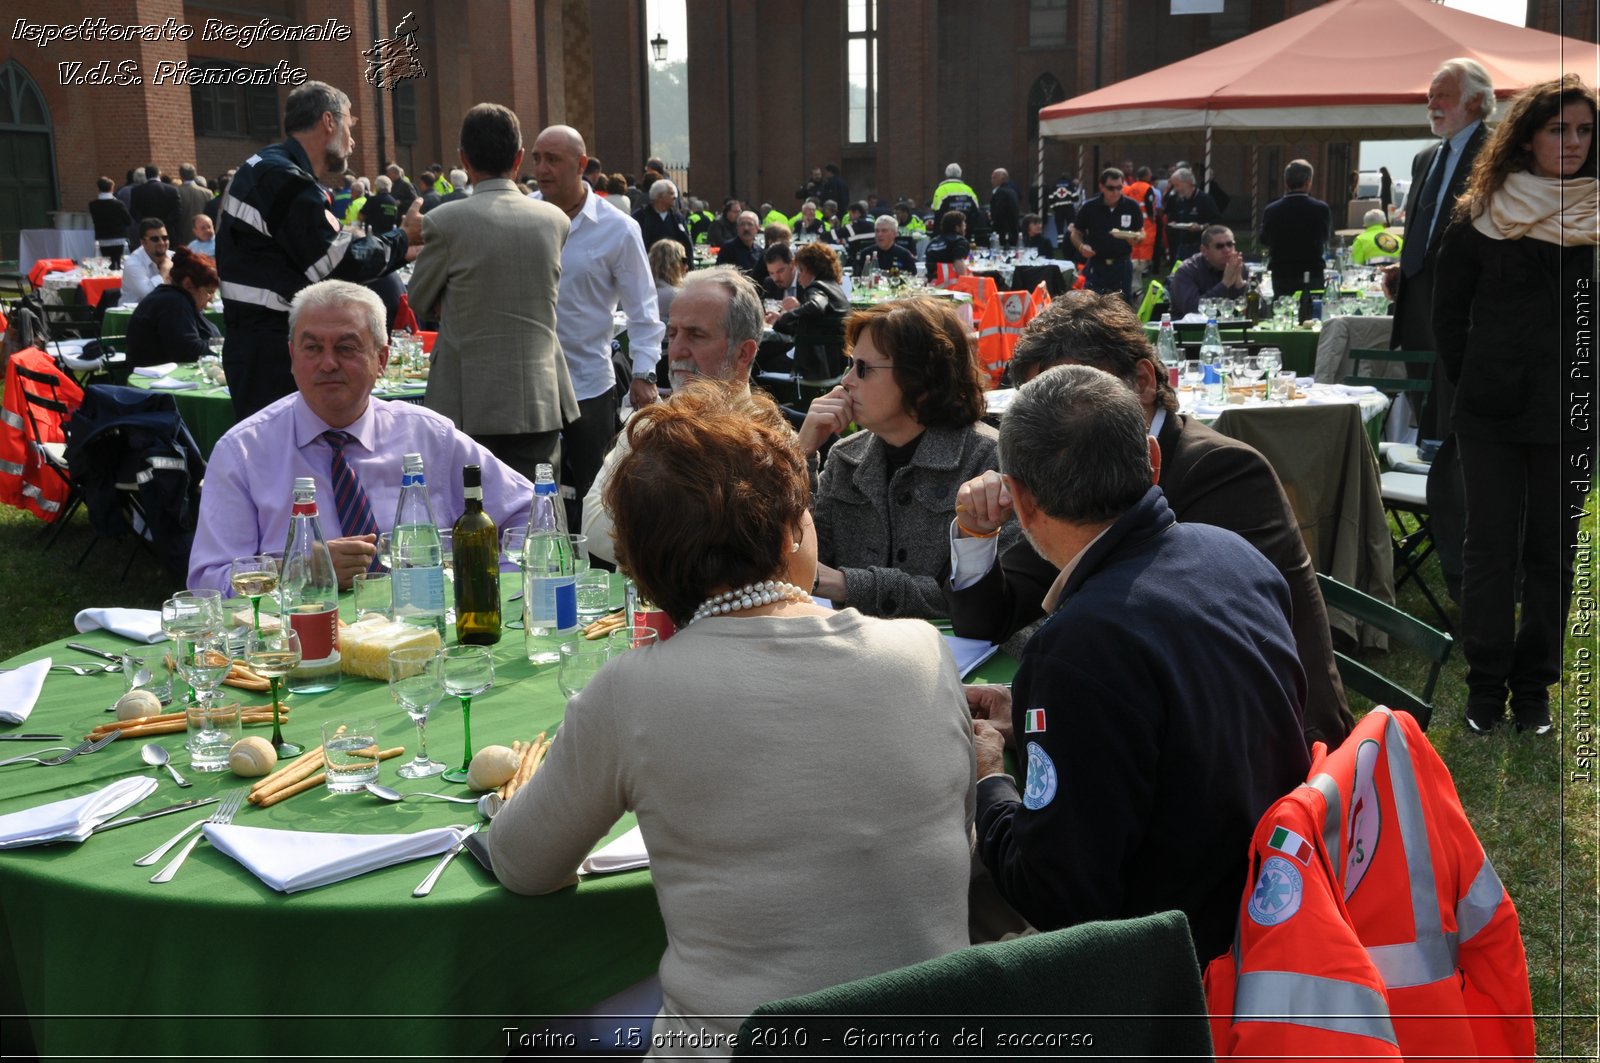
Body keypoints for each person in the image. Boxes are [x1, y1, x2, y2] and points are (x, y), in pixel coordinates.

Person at [494, 380, 974, 1048]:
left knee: (523, 1034)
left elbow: (521, 863)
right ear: (788, 529)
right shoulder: (923, 650)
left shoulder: (631, 689)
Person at [968, 363, 1310, 962]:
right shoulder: (1234, 553)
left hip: (1177, 961)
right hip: (1278, 898)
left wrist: (989, 779)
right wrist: (1033, 713)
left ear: (1019, 500)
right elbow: (1184, 717)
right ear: (1152, 461)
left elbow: (1059, 894)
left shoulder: (1079, 645)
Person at [945, 292, 1353, 749]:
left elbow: (1203, 657)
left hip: (1283, 757)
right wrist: (978, 534)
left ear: (1141, 380)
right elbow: (989, 621)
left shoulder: (1224, 470)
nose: (1055, 427)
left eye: (1076, 394)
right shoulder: (1077, 474)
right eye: (1040, 406)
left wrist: (1039, 711)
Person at [1433, 74, 1597, 736]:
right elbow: (1447, 316)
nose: (1575, 141)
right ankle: (1485, 685)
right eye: (1561, 129)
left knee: (1553, 552)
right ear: (1527, 137)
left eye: (1585, 130)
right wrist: (1476, 378)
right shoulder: (1483, 215)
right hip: (1492, 410)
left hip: (1572, 408)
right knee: (1489, 549)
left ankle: (1534, 690)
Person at [188, 280, 532, 594]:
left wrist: (484, 584)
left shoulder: (429, 437)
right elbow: (208, 582)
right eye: (312, 348)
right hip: (297, 644)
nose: (327, 363)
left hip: (424, 634)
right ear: (292, 357)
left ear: (381, 359)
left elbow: (531, 513)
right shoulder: (243, 452)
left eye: (346, 348)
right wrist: (300, 570)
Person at [800, 297, 1015, 620]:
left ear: (922, 381)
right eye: (850, 364)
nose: (846, 382)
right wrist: (799, 455)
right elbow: (796, 558)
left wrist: (849, 585)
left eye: (863, 369)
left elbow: (982, 596)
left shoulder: (991, 460)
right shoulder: (847, 456)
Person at [216, 81, 418, 421]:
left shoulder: (266, 165)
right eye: (350, 126)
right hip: (271, 351)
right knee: (289, 462)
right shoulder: (284, 176)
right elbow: (337, 265)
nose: (352, 142)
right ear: (329, 121)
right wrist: (403, 239)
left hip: (261, 343)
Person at [409, 103, 576, 482]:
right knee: (540, 511)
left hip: (470, 399)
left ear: (463, 160)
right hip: (539, 394)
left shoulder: (445, 221)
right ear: (519, 158)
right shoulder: (555, 220)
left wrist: (453, 297)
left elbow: (418, 299)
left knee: (468, 512)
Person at [1388, 58, 1497, 605]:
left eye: (1443, 96)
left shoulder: (1499, 150)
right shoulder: (1426, 155)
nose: (1432, 105)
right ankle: (1435, 522)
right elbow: (1421, 228)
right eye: (1429, 96)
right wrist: (1402, 270)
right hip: (1417, 302)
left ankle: (1465, 547)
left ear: (1476, 101)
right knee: (1427, 411)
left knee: (1459, 425)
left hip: (1465, 310)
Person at [583, 268, 766, 564]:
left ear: (744, 353)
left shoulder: (769, 437)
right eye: (672, 333)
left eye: (696, 334)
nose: (676, 350)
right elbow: (591, 523)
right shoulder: (646, 425)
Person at [530, 124, 663, 530]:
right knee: (534, 491)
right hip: (532, 384)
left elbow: (643, 307)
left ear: (582, 165)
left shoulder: (618, 228)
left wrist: (643, 371)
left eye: (553, 159)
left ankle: (600, 577)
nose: (542, 168)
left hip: (589, 382)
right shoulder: (525, 218)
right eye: (537, 158)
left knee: (597, 496)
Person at [124, 247, 221, 368]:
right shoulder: (174, 303)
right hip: (154, 382)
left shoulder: (175, 298)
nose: (210, 298)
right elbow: (189, 351)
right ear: (188, 284)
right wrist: (223, 346)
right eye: (208, 291)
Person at [767, 242, 850, 383]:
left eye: (802, 270)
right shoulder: (834, 287)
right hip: (836, 365)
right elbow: (817, 326)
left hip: (816, 368)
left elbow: (816, 305)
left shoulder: (816, 288)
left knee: (760, 359)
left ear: (813, 270)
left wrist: (784, 317)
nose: (798, 276)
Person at [1260, 158, 1332, 300]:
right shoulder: (1320, 208)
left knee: (1283, 313)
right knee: (1311, 315)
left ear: (1286, 183)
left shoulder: (1271, 209)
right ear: (1308, 182)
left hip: (1281, 271)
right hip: (1312, 270)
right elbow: (1325, 237)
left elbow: (1264, 239)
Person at [1068, 168, 1143, 302]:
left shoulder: (1131, 206)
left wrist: (1137, 238)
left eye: (1119, 188)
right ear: (1101, 187)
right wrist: (1081, 247)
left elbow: (1141, 232)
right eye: (1111, 188)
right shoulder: (1090, 207)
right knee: (1094, 306)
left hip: (1122, 264)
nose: (1116, 192)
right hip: (1097, 265)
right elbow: (1076, 232)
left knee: (1122, 306)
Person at [1167, 224, 1249, 317]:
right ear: (1204, 250)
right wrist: (1225, 284)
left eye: (1230, 244)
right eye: (1219, 246)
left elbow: (1261, 311)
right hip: (1193, 329)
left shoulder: (1240, 267)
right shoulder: (1187, 270)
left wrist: (1240, 284)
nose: (1227, 250)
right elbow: (1191, 309)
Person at [1162, 167, 1220, 262]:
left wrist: (1201, 227)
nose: (1176, 189)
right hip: (1182, 246)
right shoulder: (1179, 200)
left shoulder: (1204, 199)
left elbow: (1217, 220)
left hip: (1200, 247)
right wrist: (1174, 223)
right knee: (1177, 274)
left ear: (1188, 183)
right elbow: (1176, 217)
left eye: (1177, 185)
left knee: (1198, 275)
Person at [633, 179, 693, 262]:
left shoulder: (677, 217)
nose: (675, 197)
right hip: (649, 265)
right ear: (659, 196)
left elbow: (686, 243)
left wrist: (687, 263)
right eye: (671, 193)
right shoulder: (641, 216)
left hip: (674, 266)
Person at [121, 218, 172, 303]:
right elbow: (149, 294)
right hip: (134, 314)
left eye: (165, 238)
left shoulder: (173, 256)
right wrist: (165, 271)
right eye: (155, 239)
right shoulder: (133, 263)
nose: (162, 242)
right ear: (143, 242)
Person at [88, 176, 133, 269]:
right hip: (118, 237)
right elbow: (127, 221)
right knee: (118, 263)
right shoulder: (118, 204)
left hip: (103, 238)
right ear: (112, 188)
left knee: (106, 264)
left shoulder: (93, 205)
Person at [130, 164, 181, 238]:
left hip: (147, 230)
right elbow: (177, 211)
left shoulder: (137, 191)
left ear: (146, 175)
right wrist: (165, 222)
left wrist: (145, 222)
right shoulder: (172, 189)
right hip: (167, 230)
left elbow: (134, 211)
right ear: (159, 173)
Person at [649, 237, 687, 330]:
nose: (687, 265)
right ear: (675, 263)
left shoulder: (641, 290)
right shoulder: (676, 295)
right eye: (684, 260)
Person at [924, 210, 971, 281]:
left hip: (931, 284)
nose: (965, 227)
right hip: (950, 285)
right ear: (957, 227)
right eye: (963, 225)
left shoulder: (933, 242)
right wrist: (966, 282)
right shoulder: (959, 241)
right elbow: (959, 263)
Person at [715, 210, 763, 278]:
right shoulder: (728, 249)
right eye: (742, 224)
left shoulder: (760, 251)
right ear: (737, 228)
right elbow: (720, 275)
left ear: (757, 228)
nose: (746, 228)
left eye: (750, 224)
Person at [989, 167, 1020, 248]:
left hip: (1003, 232)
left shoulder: (1000, 193)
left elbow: (999, 212)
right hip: (1013, 230)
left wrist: (993, 225)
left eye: (994, 177)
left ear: (1002, 178)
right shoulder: (1012, 191)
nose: (992, 180)